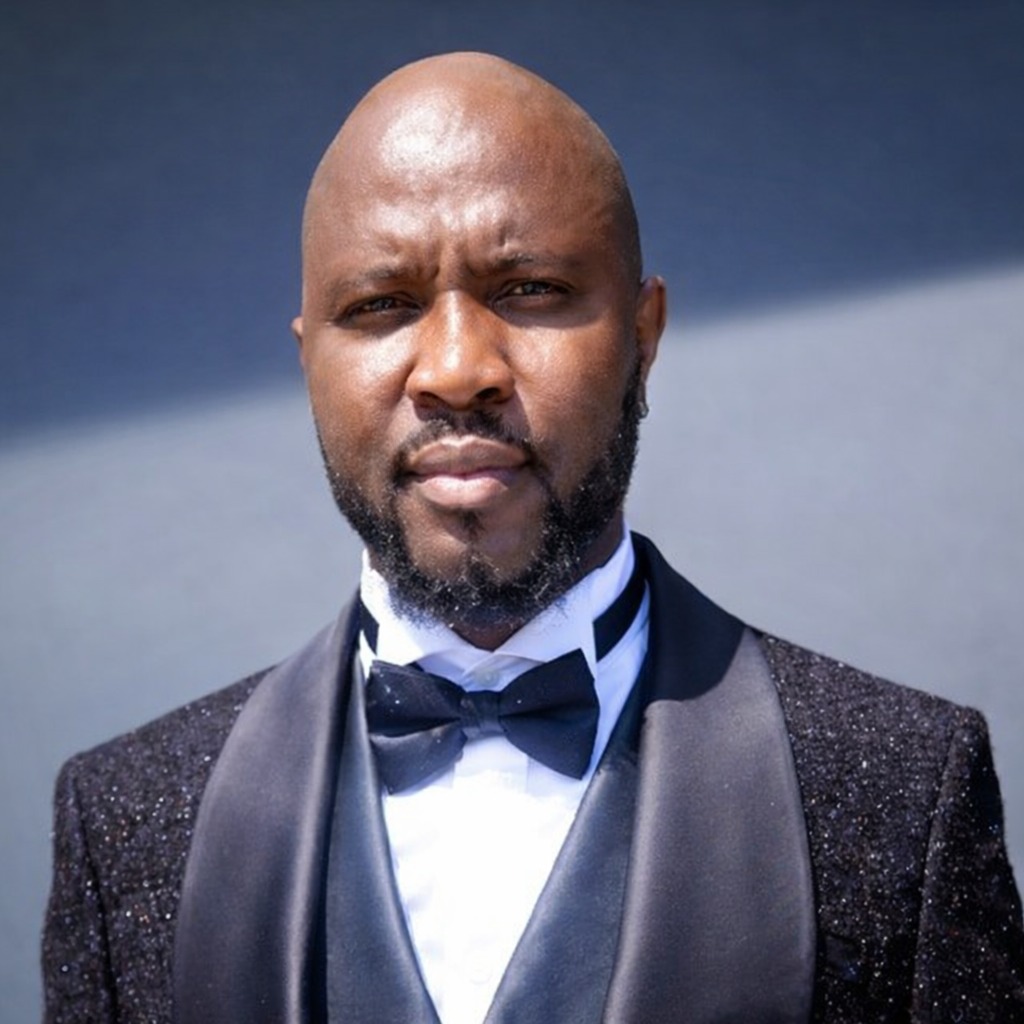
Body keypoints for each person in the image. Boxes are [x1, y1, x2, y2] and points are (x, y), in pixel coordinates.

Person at [42, 52, 1023, 1024]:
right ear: (310, 363)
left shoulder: (905, 790)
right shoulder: (125, 822)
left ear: (643, 338)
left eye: (530, 289)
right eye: (381, 305)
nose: (456, 369)